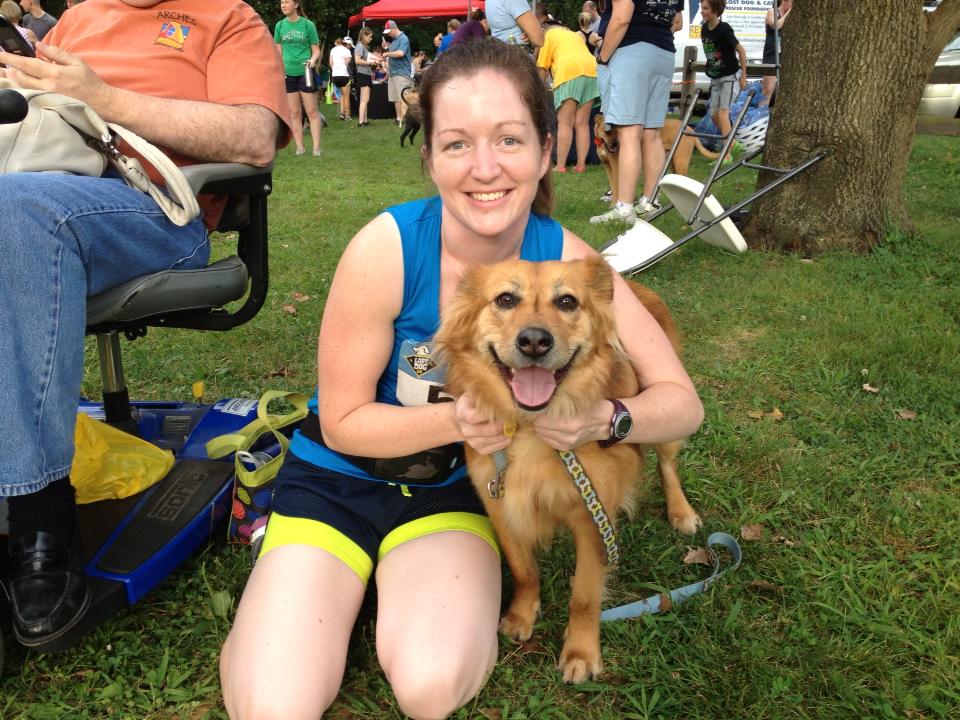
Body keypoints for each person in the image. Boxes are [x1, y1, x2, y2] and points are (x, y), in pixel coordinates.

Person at [219, 37, 703, 720]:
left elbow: (683, 406)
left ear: (543, 149)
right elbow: (343, 420)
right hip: (339, 480)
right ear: (430, 158)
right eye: (456, 144)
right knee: (273, 705)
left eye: (508, 140)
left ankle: (381, 592)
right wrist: (459, 419)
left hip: (450, 495)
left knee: (432, 687)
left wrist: (605, 420)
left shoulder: (571, 266)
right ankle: (331, 584)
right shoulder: (386, 248)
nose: (485, 168)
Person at [0, 0, 289, 650]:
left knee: (13, 214)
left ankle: (40, 525)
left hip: (157, 210)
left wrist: (101, 96)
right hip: (34, 187)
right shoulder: (78, 19)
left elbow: (253, 137)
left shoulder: (228, 18)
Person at [590, 0, 683, 225]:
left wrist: (603, 55)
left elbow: (622, 17)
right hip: (664, 52)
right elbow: (677, 21)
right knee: (652, 134)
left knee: (629, 133)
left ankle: (623, 209)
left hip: (631, 51)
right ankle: (649, 203)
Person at [536, 19, 599, 174]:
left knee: (565, 122)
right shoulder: (573, 34)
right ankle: (581, 165)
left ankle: (561, 166)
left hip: (569, 71)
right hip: (592, 70)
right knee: (582, 123)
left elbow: (542, 69)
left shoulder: (548, 35)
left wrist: (537, 92)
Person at [699, 0, 747, 162]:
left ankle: (726, 155)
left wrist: (744, 77)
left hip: (729, 77)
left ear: (715, 10)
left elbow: (741, 51)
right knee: (713, 115)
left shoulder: (724, 29)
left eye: (705, 8)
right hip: (715, 77)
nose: (702, 11)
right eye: (701, 8)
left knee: (723, 113)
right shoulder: (704, 28)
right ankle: (732, 142)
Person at [274, 0, 322, 156]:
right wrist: (280, 70)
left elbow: (316, 50)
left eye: (286, 2)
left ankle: (316, 148)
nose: (283, 5)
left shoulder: (308, 25)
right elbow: (278, 52)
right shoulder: (279, 26)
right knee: (294, 113)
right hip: (288, 74)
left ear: (296, 5)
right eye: (281, 2)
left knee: (311, 111)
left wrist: (313, 60)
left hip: (305, 72)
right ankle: (299, 148)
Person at [381, 19, 413, 125]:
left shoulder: (404, 38)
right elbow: (393, 52)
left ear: (394, 28)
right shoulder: (394, 40)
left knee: (403, 97)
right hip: (393, 73)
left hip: (402, 73)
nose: (389, 34)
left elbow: (400, 53)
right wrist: (386, 48)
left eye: (389, 32)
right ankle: (399, 118)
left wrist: (387, 54)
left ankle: (407, 119)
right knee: (395, 98)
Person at [761, 0, 791, 107]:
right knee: (768, 90)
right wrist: (789, 12)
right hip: (771, 54)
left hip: (785, 54)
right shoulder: (772, 12)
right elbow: (776, 25)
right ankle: (762, 114)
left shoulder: (792, 17)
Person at [354, 27, 377, 127]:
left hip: (366, 74)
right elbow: (357, 60)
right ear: (364, 36)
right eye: (370, 37)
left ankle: (365, 121)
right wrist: (370, 63)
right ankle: (361, 122)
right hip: (363, 74)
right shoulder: (360, 46)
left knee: (365, 99)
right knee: (364, 99)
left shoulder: (363, 47)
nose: (371, 39)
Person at [329, 35, 353, 122]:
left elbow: (331, 62)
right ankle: (347, 115)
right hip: (344, 75)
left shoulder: (333, 49)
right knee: (346, 96)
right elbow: (347, 63)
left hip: (335, 75)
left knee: (341, 96)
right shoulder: (347, 51)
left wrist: (335, 70)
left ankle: (342, 114)